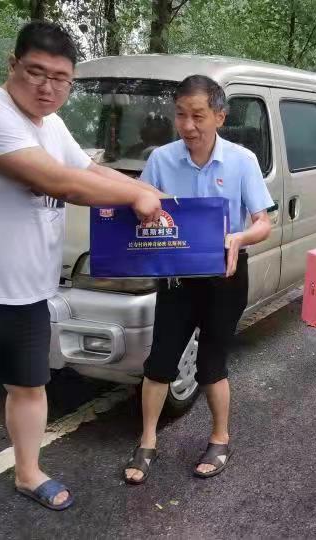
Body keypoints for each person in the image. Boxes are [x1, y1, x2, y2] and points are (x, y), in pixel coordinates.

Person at [0, 22, 162, 511]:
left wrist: (153, 194)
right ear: (12, 65)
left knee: (29, 386)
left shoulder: (51, 124)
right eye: (36, 72)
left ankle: (28, 473)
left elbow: (89, 170)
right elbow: (60, 183)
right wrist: (136, 197)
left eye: (61, 78)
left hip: (29, 291)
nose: (48, 88)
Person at [123, 75, 273, 484]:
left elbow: (263, 223)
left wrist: (238, 237)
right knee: (159, 362)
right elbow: (139, 204)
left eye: (198, 116)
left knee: (211, 363)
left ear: (220, 117)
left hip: (225, 276)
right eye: (180, 115)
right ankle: (147, 441)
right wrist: (142, 213)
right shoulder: (161, 160)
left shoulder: (242, 161)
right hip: (176, 277)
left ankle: (220, 438)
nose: (188, 126)